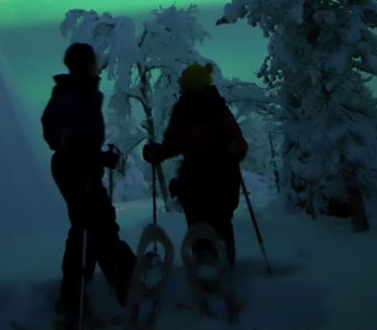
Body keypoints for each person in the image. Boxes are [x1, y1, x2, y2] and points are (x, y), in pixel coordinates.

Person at [41, 43, 136, 326]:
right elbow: (56, 129)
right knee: (92, 228)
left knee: (91, 229)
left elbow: (73, 135)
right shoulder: (73, 93)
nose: (97, 64)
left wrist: (97, 156)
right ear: (85, 64)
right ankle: (122, 284)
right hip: (75, 169)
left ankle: (84, 296)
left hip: (82, 167)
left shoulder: (80, 91)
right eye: (93, 61)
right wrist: (70, 142)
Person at [143, 63, 248, 267]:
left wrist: (158, 152)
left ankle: (206, 264)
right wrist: (234, 150)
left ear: (190, 85)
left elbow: (173, 143)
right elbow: (238, 143)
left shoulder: (185, 110)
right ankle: (221, 265)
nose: (179, 85)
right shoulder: (217, 108)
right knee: (219, 222)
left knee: (200, 223)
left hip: (198, 178)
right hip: (221, 176)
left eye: (182, 82)